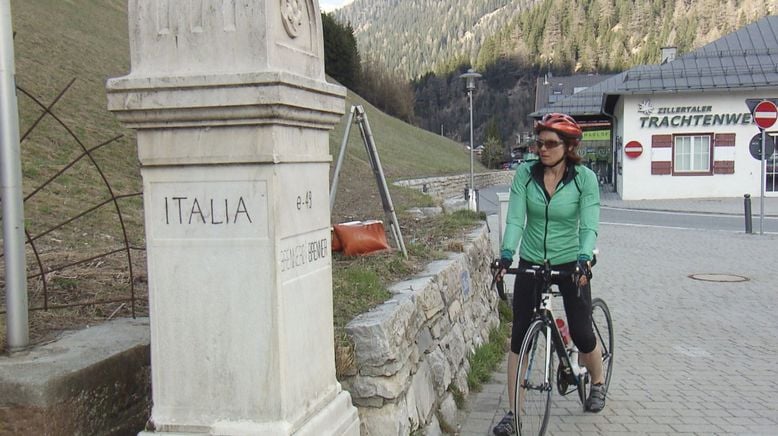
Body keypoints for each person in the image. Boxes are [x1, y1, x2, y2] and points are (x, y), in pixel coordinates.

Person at [492, 113, 604, 436]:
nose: (542, 149)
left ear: (568, 147)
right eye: (538, 142)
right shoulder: (525, 175)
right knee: (519, 340)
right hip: (531, 260)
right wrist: (505, 255)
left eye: (550, 143)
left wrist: (584, 258)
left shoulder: (584, 179)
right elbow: (515, 220)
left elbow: (590, 223)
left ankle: (596, 381)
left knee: (582, 333)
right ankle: (514, 415)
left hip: (571, 261)